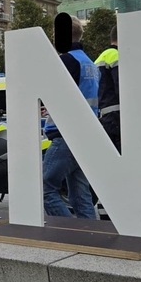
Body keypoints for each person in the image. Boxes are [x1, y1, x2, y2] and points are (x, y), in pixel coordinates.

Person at [42, 15, 100, 219]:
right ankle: (90, 233)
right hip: (87, 134)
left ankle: (68, 230)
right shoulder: (90, 63)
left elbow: (56, 93)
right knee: (80, 195)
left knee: (45, 189)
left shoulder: (66, 60)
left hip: (66, 134)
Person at [95, 26, 120, 151]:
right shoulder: (117, 55)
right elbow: (121, 88)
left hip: (105, 115)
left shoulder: (101, 57)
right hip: (117, 116)